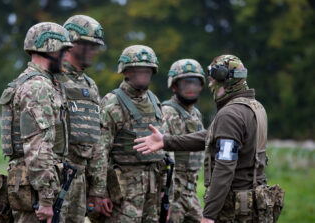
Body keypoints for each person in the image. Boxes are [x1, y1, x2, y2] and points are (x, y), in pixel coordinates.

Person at [134, 55, 284, 222]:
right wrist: (166, 141)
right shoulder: (255, 107)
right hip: (255, 200)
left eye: (212, 80)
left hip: (236, 207)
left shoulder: (230, 114)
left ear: (223, 80)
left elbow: (225, 166)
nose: (210, 85)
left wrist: (208, 215)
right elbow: (213, 136)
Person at [0, 22, 73, 223]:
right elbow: (37, 147)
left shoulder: (42, 82)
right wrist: (47, 200)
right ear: (49, 49)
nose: (66, 57)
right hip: (35, 190)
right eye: (63, 50)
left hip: (33, 185)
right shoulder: (38, 87)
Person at [99, 45, 166, 222]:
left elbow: (164, 149)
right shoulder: (113, 102)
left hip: (152, 188)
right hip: (123, 190)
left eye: (147, 70)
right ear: (126, 71)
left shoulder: (154, 101)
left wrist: (164, 188)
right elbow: (100, 151)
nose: (143, 74)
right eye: (138, 70)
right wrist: (100, 192)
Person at [56, 15, 112, 222]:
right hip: (57, 175)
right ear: (69, 43)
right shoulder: (52, 79)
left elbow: (96, 139)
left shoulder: (90, 85)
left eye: (95, 46)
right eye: (86, 45)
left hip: (79, 177)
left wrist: (97, 188)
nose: (93, 51)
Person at [161, 59, 205, 223]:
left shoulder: (196, 114)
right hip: (174, 195)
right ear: (174, 86)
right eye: (185, 83)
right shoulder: (167, 112)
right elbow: (164, 158)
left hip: (191, 192)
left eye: (195, 83)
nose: (190, 88)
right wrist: (166, 197)